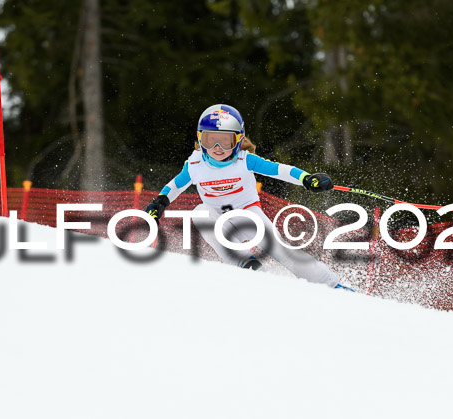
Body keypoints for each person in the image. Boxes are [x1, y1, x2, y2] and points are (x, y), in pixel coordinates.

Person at [145, 104, 353, 290]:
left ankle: (332, 285)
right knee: (199, 213)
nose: (218, 148)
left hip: (248, 216)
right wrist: (159, 203)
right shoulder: (195, 164)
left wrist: (307, 179)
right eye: (211, 140)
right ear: (201, 139)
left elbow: (279, 170)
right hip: (219, 220)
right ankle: (245, 262)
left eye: (225, 141)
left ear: (238, 140)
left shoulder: (245, 160)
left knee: (282, 251)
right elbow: (175, 186)